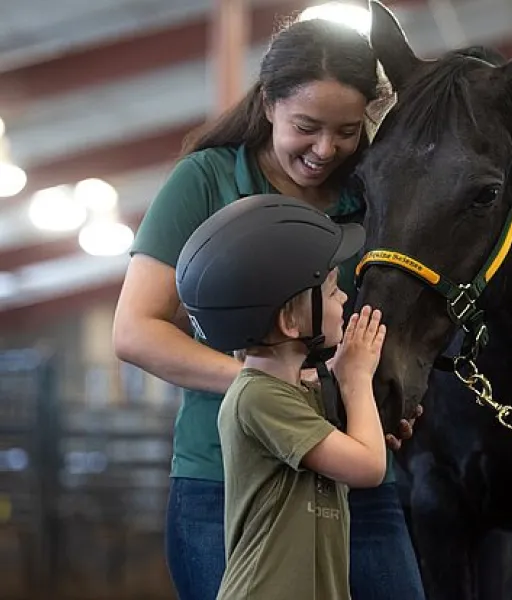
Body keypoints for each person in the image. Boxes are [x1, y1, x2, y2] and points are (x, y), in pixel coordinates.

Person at [112, 16, 425, 600]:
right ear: (269, 104)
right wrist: (280, 391)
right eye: (306, 126)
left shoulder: (373, 191)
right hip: (226, 481)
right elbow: (135, 331)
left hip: (350, 476)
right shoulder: (205, 181)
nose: (326, 149)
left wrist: (384, 396)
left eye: (348, 131)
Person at [175, 194, 387, 600]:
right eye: (329, 288)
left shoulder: (295, 393)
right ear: (290, 321)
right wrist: (357, 379)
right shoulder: (258, 397)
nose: (343, 297)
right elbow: (369, 466)